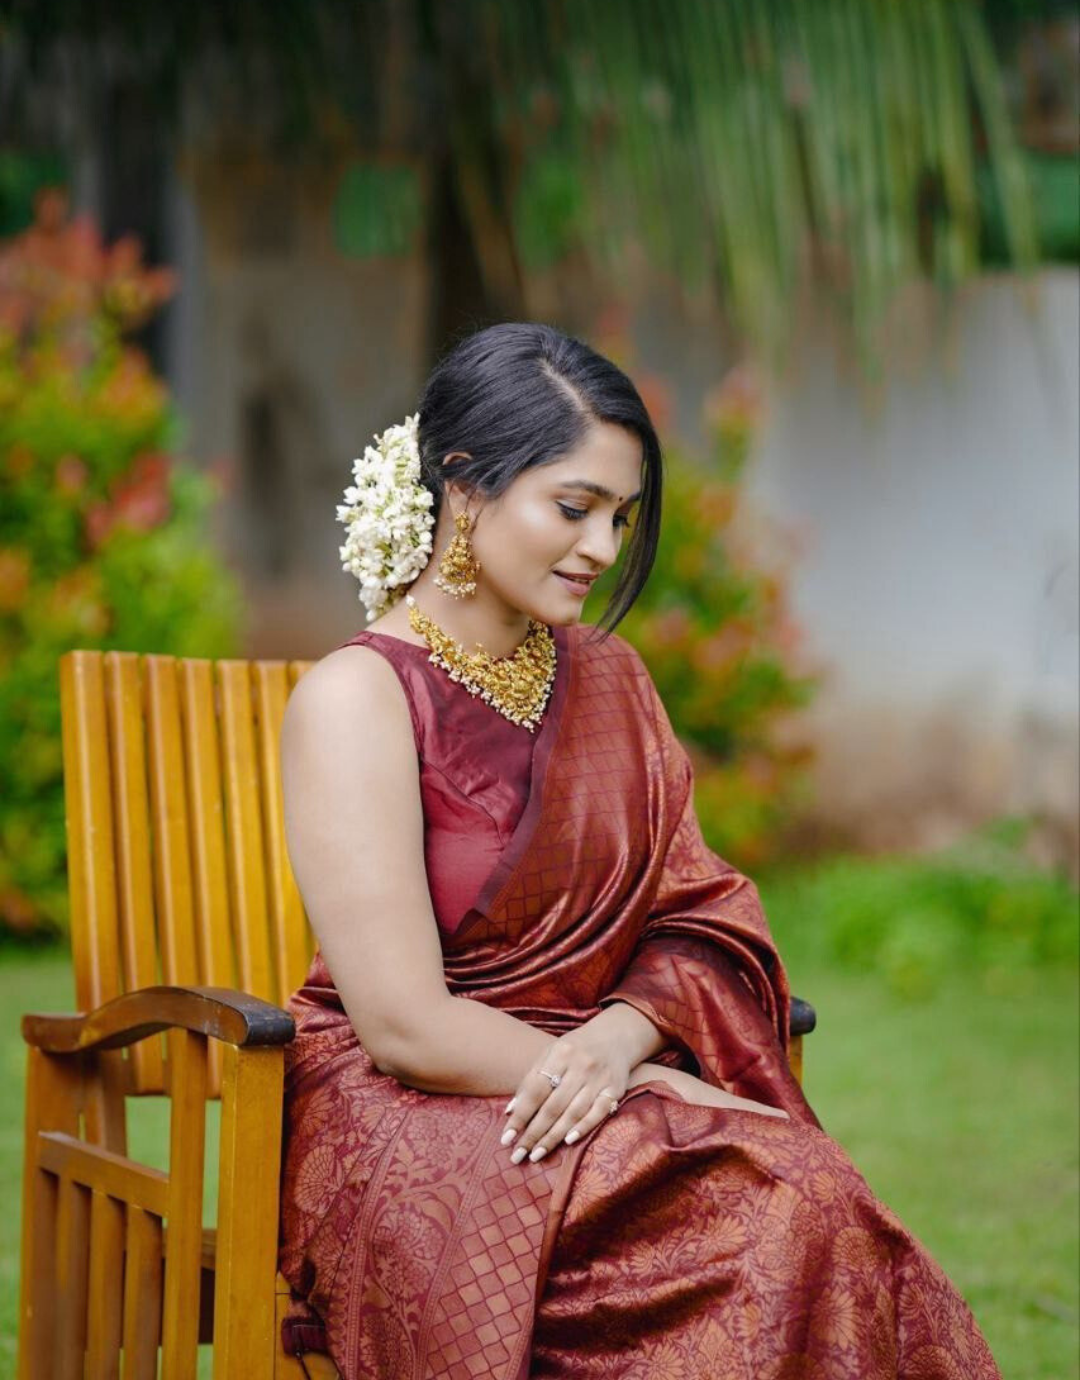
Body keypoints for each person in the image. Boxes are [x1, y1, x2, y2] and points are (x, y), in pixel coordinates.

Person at [277, 322, 1001, 1378]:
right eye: (573, 508)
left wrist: (624, 1049)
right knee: (767, 1216)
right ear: (465, 487)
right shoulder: (357, 698)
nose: (603, 550)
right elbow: (399, 1024)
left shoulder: (612, 681)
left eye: (620, 516)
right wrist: (649, 1092)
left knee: (812, 1209)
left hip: (604, 1075)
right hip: (419, 1111)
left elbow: (698, 913)